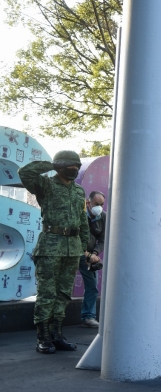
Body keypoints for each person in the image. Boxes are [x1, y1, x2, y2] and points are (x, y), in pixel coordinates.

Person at [18, 150, 89, 354]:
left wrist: (83, 248)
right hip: (50, 246)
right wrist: (52, 165)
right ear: (60, 167)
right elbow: (25, 173)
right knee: (47, 293)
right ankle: (43, 337)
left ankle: (57, 334)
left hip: (72, 248)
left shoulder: (78, 191)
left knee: (64, 294)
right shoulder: (46, 185)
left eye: (77, 165)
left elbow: (82, 221)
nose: (74, 169)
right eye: (69, 165)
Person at [79, 190, 106, 328]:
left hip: (89, 255)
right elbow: (74, 236)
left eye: (102, 204)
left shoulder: (103, 217)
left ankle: (88, 316)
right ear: (88, 202)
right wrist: (86, 254)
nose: (99, 207)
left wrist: (94, 253)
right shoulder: (79, 214)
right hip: (73, 252)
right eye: (96, 204)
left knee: (92, 286)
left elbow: (103, 239)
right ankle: (53, 319)